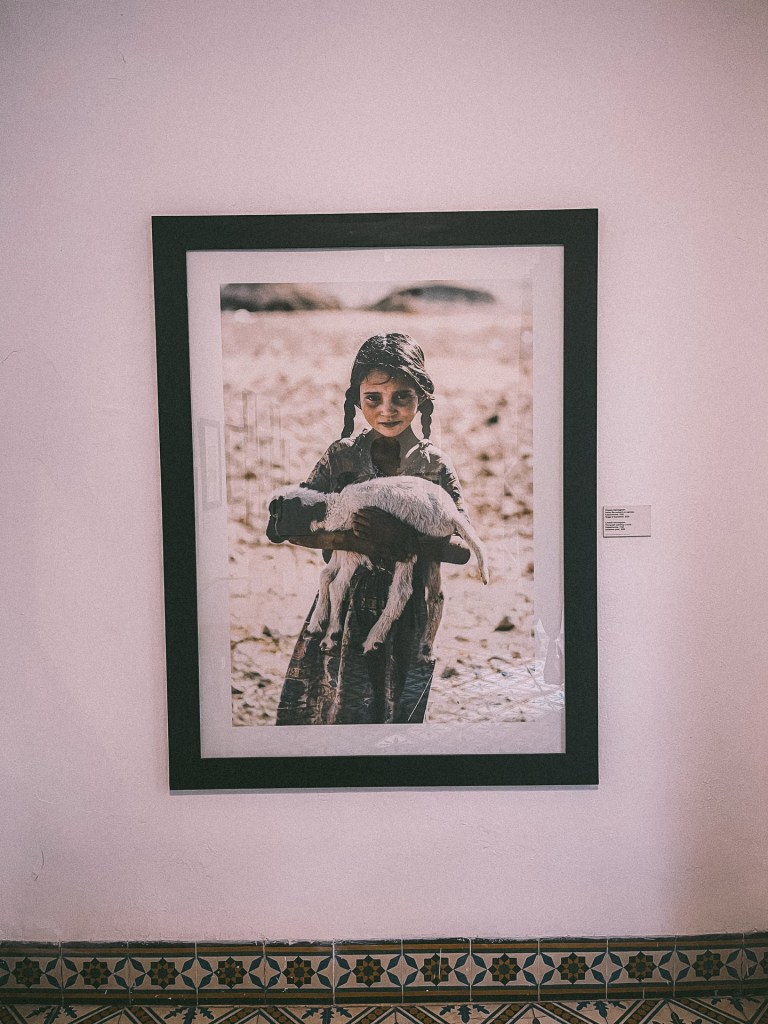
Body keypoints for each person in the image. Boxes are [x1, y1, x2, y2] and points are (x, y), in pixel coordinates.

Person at [270, 333, 471, 725]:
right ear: (356, 399)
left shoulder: (434, 467)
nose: (387, 409)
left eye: (401, 396)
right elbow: (294, 524)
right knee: (330, 710)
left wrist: (407, 540)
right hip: (341, 609)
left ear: (422, 397)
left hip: (409, 609)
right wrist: (347, 540)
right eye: (373, 398)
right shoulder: (341, 456)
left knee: (395, 719)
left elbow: (463, 548)